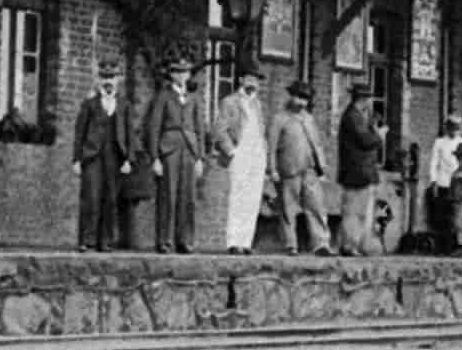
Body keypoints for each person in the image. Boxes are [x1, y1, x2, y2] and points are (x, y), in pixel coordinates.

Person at [141, 54, 208, 254]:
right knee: (167, 196)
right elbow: (153, 128)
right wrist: (155, 158)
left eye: (184, 72)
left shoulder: (194, 98)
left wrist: (200, 158)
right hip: (168, 150)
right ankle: (165, 240)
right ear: (171, 75)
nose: (181, 76)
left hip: (189, 150)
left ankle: (185, 241)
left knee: (188, 198)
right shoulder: (163, 96)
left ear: (189, 75)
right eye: (177, 72)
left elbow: (199, 129)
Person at [69, 58, 134, 251]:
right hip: (92, 156)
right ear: (98, 79)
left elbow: (130, 133)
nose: (108, 81)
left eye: (112, 77)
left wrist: (129, 159)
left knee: (110, 198)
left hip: (114, 156)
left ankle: (105, 241)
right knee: (91, 197)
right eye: (104, 77)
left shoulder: (124, 105)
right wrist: (76, 159)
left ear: (118, 80)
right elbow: (79, 132)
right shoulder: (89, 104)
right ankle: (86, 240)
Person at [270, 78, 333, 256]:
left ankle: (321, 243)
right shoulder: (279, 119)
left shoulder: (309, 119)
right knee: (288, 209)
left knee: (316, 207)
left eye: (305, 99)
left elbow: (317, 143)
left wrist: (322, 165)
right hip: (288, 169)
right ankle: (291, 244)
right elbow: (272, 146)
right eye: (298, 97)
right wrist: (272, 170)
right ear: (291, 96)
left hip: (310, 170)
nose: (301, 102)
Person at [213, 66, 270, 254]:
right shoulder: (229, 102)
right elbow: (220, 129)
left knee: (252, 200)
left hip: (256, 155)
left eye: (256, 80)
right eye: (250, 79)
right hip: (240, 154)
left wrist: (263, 154)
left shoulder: (257, 105)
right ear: (241, 80)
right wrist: (232, 151)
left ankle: (246, 242)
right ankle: (234, 242)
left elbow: (261, 131)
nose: (253, 83)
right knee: (238, 198)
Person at [336, 82, 385, 255]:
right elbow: (365, 141)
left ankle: (360, 245)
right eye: (368, 98)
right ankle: (350, 245)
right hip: (356, 172)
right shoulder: (353, 117)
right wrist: (379, 135)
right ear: (363, 99)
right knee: (354, 211)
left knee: (362, 212)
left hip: (362, 172)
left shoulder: (358, 117)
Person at [426, 113, 462, 247]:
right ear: (447, 128)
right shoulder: (439, 143)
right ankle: (443, 245)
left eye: (456, 128)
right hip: (443, 183)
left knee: (456, 216)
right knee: (442, 215)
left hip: (458, 185)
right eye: (451, 128)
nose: (454, 131)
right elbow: (434, 163)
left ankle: (456, 244)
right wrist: (433, 181)